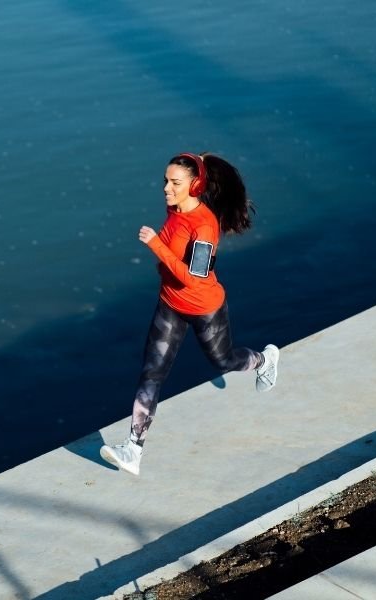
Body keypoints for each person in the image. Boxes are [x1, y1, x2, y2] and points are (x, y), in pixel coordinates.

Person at [100, 152, 279, 476]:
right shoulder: (174, 209)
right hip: (170, 304)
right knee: (151, 373)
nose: (166, 188)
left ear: (194, 185)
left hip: (204, 307)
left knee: (223, 361)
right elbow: (173, 254)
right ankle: (133, 450)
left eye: (175, 182)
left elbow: (192, 278)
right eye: (165, 181)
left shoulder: (206, 226)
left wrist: (156, 246)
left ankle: (264, 361)